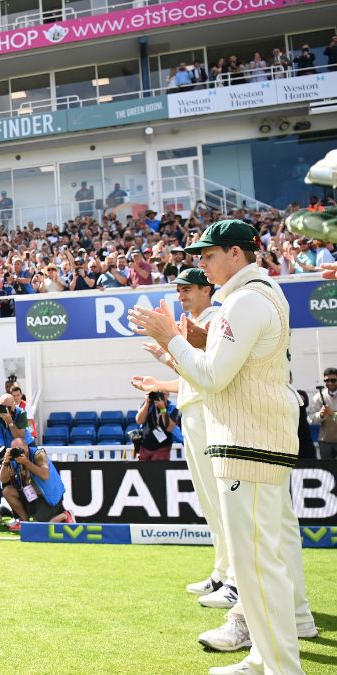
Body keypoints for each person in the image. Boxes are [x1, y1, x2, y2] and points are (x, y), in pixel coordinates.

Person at [130, 220, 314, 675]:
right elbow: (222, 366)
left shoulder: (246, 300)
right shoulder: (252, 296)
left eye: (209, 255)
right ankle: (264, 657)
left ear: (236, 254)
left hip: (249, 443)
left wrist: (168, 336)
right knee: (257, 561)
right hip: (252, 439)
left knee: (256, 563)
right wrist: (181, 345)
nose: (202, 265)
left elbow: (213, 377)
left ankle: (280, 667)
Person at [131, 267, 234, 608]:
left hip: (208, 412)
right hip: (192, 409)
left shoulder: (216, 319)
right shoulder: (200, 321)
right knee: (209, 501)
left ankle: (235, 579)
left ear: (207, 289)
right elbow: (191, 373)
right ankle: (222, 572)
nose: (181, 295)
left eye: (188, 288)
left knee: (221, 500)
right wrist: (159, 382)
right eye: (179, 289)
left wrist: (168, 349)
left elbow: (209, 372)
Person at [0, 438, 70, 531]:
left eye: (20, 449)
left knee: (38, 528)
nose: (17, 452)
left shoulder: (39, 454)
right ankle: (25, 522)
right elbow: (3, 479)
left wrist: (26, 462)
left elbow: (45, 475)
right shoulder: (14, 459)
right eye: (14, 450)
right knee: (7, 491)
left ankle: (65, 515)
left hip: (49, 498)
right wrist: (6, 462)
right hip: (32, 495)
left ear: (27, 448)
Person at [134, 391, 179, 461]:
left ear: (168, 394)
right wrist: (147, 403)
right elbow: (139, 421)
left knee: (157, 470)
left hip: (162, 448)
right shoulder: (148, 403)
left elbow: (169, 428)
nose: (159, 396)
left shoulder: (172, 407)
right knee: (143, 470)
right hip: (145, 446)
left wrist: (163, 409)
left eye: (162, 394)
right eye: (158, 393)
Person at [308, 367, 337, 459]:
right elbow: (310, 419)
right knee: (326, 471)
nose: (330, 383)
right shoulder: (318, 397)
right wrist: (320, 415)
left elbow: (333, 414)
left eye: (333, 380)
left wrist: (333, 414)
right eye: (327, 380)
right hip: (325, 442)